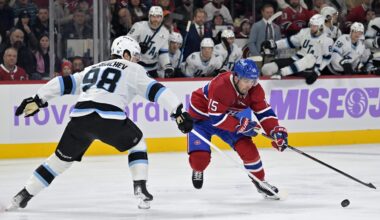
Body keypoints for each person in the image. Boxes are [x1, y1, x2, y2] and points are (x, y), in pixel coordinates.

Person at [7, 35, 193, 211]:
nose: (137, 60)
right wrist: (178, 112)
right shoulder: (133, 69)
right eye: (135, 56)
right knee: (138, 144)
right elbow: (158, 91)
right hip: (110, 118)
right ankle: (140, 188)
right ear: (125, 54)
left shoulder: (92, 68)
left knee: (58, 161)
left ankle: (23, 195)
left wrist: (37, 99)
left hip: (80, 119)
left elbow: (62, 83)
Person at [187, 59, 288, 199]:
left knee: (248, 149)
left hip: (226, 119)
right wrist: (239, 125)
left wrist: (274, 131)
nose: (249, 85)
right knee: (200, 160)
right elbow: (216, 119)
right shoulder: (220, 85)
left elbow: (264, 111)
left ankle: (260, 182)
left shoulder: (254, 88)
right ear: (236, 77)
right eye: (246, 80)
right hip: (201, 120)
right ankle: (197, 169)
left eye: (253, 80)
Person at [261, 14, 334, 84]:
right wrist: (274, 44)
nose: (311, 28)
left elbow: (327, 58)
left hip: (310, 68)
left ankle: (282, 72)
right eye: (311, 25)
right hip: (295, 60)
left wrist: (317, 72)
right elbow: (289, 42)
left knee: (310, 57)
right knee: (266, 68)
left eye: (314, 26)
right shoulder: (305, 32)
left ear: (321, 27)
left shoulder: (327, 40)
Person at [127, 6, 174, 78]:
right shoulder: (138, 26)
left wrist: (166, 66)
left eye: (158, 17)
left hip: (152, 69)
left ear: (162, 18)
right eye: (153, 16)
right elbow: (126, 42)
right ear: (149, 16)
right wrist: (137, 47)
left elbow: (163, 53)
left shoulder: (165, 32)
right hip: (136, 66)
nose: (155, 19)